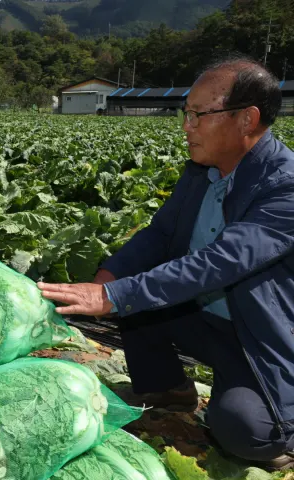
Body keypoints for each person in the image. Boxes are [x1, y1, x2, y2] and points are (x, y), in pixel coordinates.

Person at [38, 57, 294, 470]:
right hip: (201, 317)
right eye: (185, 113)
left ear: (246, 119)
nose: (186, 126)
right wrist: (108, 277)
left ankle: (281, 423)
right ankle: (169, 390)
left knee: (244, 429)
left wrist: (112, 294)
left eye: (198, 115)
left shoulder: (286, 187)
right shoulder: (200, 171)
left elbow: (219, 262)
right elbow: (158, 235)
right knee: (131, 294)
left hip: (258, 336)